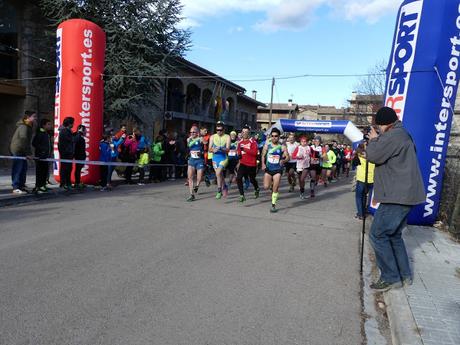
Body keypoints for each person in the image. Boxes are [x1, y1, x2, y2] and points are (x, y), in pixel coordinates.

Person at [366, 106, 425, 292]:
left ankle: (391, 277)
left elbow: (373, 156)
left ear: (384, 124)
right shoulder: (401, 134)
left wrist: (374, 141)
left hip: (397, 196)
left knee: (377, 234)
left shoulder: (393, 136)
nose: (378, 129)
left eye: (378, 126)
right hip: (404, 194)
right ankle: (404, 275)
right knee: (394, 235)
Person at [261, 128, 289, 213]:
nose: (274, 138)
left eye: (276, 136)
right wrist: (263, 164)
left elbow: (288, 157)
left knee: (275, 188)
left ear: (279, 137)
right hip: (268, 169)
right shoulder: (267, 145)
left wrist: (283, 160)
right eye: (272, 136)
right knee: (266, 186)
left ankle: (273, 205)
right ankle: (271, 186)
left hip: (277, 170)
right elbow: (263, 155)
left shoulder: (282, 146)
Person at [9, 111, 37, 194]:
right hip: (18, 150)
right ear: (28, 117)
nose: (35, 118)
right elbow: (23, 139)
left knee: (23, 168)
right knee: (18, 168)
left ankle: (21, 186)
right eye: (34, 116)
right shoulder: (24, 127)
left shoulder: (28, 126)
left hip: (22, 150)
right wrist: (28, 153)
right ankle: (15, 187)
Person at [236, 125, 260, 202]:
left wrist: (245, 149)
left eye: (246, 132)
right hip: (243, 163)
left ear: (249, 133)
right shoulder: (240, 142)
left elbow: (255, 153)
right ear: (241, 133)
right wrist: (239, 156)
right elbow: (239, 150)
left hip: (252, 164)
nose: (245, 133)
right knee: (238, 178)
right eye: (243, 132)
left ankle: (256, 188)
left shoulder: (253, 142)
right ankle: (242, 195)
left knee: (252, 179)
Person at [209, 121, 230, 199]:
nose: (219, 132)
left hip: (223, 158)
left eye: (220, 130)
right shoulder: (212, 137)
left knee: (218, 173)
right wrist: (213, 150)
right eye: (217, 130)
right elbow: (209, 149)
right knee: (220, 175)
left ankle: (219, 190)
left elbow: (227, 149)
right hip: (215, 158)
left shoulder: (227, 136)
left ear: (223, 130)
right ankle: (224, 186)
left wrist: (221, 148)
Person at [354, 143, 375, 219]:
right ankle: (365, 211)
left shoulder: (359, 155)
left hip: (362, 178)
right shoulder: (374, 155)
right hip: (372, 179)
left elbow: (354, 164)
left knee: (359, 196)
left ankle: (360, 214)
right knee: (367, 196)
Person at [32, 118, 52, 193]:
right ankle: (38, 186)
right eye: (48, 124)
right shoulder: (40, 133)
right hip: (40, 156)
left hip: (46, 156)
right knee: (40, 172)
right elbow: (34, 143)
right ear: (44, 125)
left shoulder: (47, 133)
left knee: (45, 171)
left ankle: (43, 185)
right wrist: (43, 149)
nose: (50, 126)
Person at [186, 126, 205, 201]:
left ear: (197, 133)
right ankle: (191, 195)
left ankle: (197, 186)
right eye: (191, 132)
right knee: (190, 177)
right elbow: (188, 147)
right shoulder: (189, 139)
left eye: (194, 132)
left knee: (199, 178)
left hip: (199, 160)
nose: (192, 133)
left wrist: (202, 152)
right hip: (191, 160)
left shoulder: (200, 139)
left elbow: (205, 146)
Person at [58, 116, 75, 190]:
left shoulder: (67, 131)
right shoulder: (65, 131)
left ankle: (67, 183)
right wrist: (78, 134)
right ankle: (64, 183)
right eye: (72, 123)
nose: (73, 124)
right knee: (65, 169)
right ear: (69, 124)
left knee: (68, 168)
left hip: (68, 152)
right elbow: (72, 140)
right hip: (66, 153)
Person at [73, 124, 86, 189]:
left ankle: (78, 182)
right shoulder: (77, 137)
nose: (86, 132)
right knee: (78, 170)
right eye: (85, 130)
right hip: (79, 156)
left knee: (79, 170)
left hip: (81, 156)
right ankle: (77, 183)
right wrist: (79, 132)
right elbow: (75, 142)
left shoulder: (80, 137)